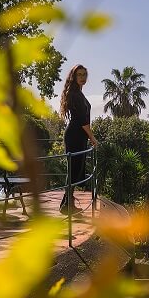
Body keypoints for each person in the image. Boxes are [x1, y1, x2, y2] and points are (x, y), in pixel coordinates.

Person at [59, 64, 98, 214]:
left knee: (74, 171)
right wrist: (93, 138)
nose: (82, 77)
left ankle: (66, 204)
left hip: (78, 136)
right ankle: (66, 205)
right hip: (75, 135)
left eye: (84, 75)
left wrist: (88, 137)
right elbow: (83, 121)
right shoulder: (75, 94)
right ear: (74, 77)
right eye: (79, 75)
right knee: (74, 171)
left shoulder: (78, 93)